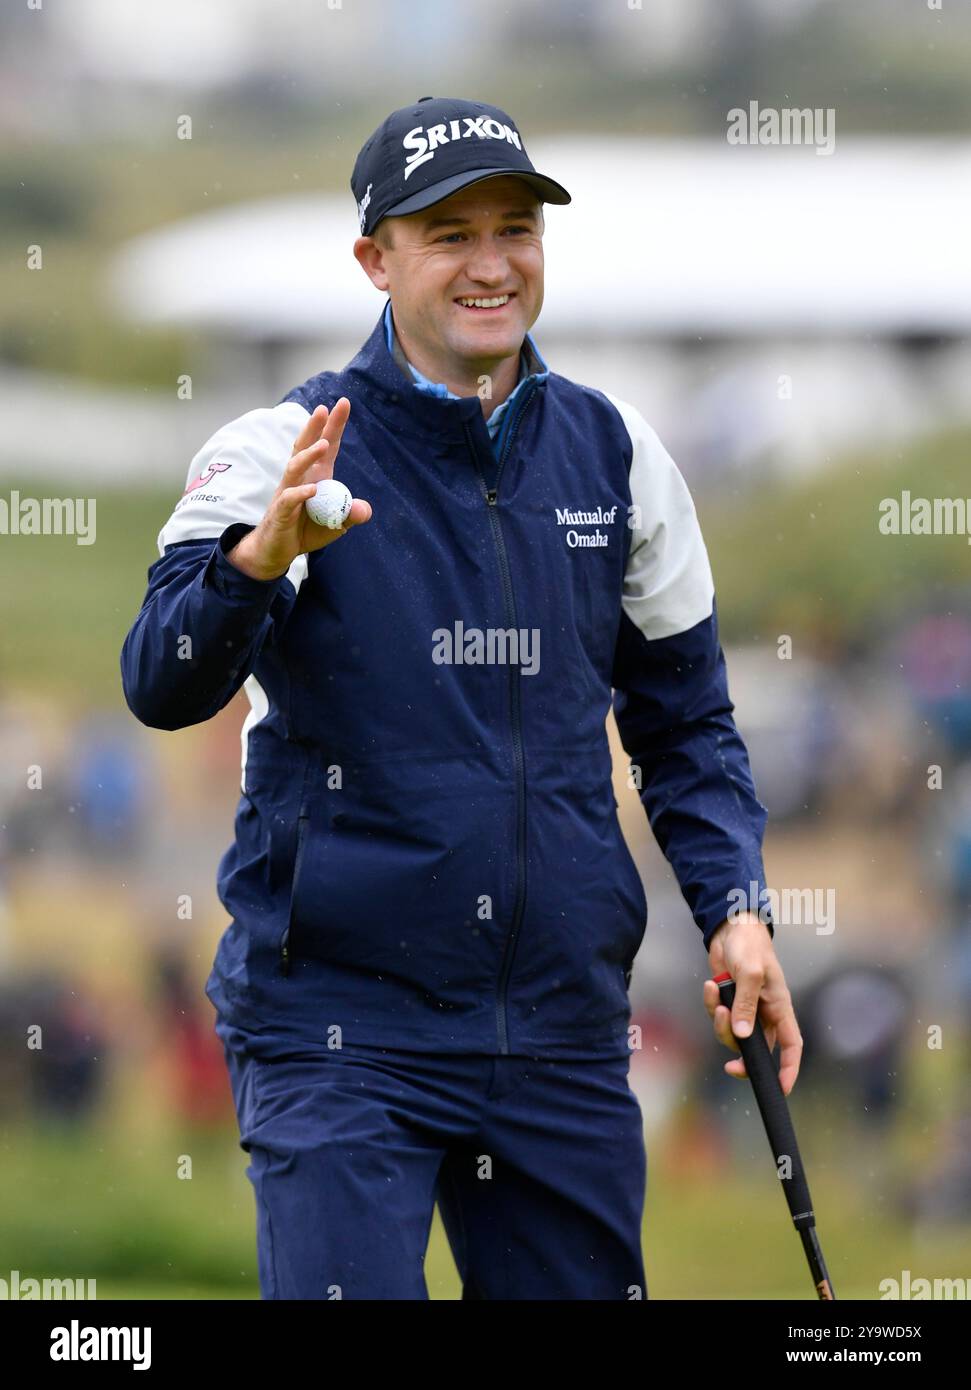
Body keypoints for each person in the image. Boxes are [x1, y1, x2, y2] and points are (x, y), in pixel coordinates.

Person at [120, 95, 802, 1301]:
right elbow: (160, 681)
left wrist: (734, 908)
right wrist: (257, 562)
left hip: (559, 1031)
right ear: (374, 258)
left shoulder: (619, 454)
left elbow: (685, 724)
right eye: (448, 233)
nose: (491, 264)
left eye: (515, 227)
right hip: (336, 1033)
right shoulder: (278, 450)